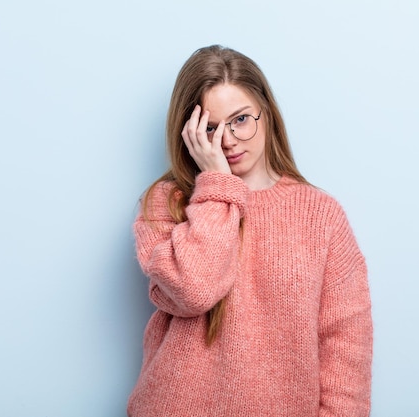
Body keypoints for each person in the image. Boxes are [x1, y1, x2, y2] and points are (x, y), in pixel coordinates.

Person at [127, 45, 372, 417]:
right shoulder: (167, 204)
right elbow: (194, 290)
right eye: (210, 127)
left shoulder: (321, 215)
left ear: (267, 114)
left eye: (240, 119)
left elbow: (346, 342)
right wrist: (217, 186)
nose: (227, 140)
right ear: (189, 133)